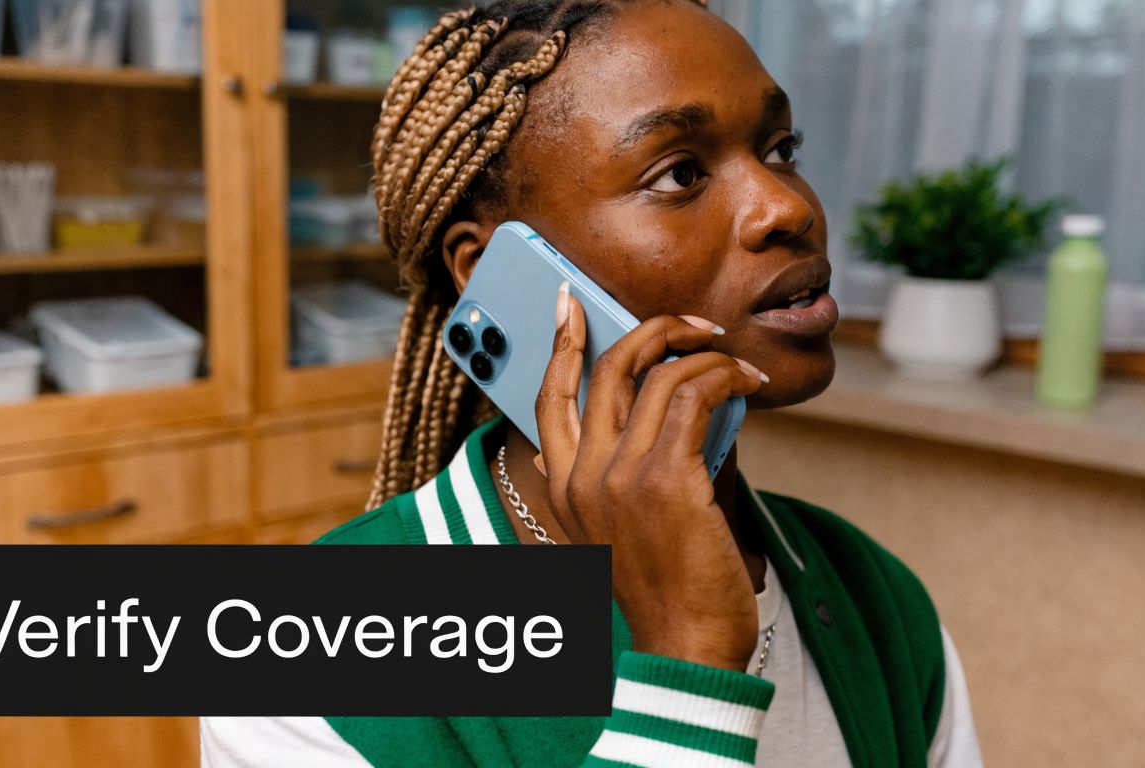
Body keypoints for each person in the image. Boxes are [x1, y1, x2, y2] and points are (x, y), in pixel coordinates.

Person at [203, 0, 984, 765]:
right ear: (493, 271)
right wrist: (690, 661)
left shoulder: (881, 602)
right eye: (679, 173)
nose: (786, 207)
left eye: (780, 149)